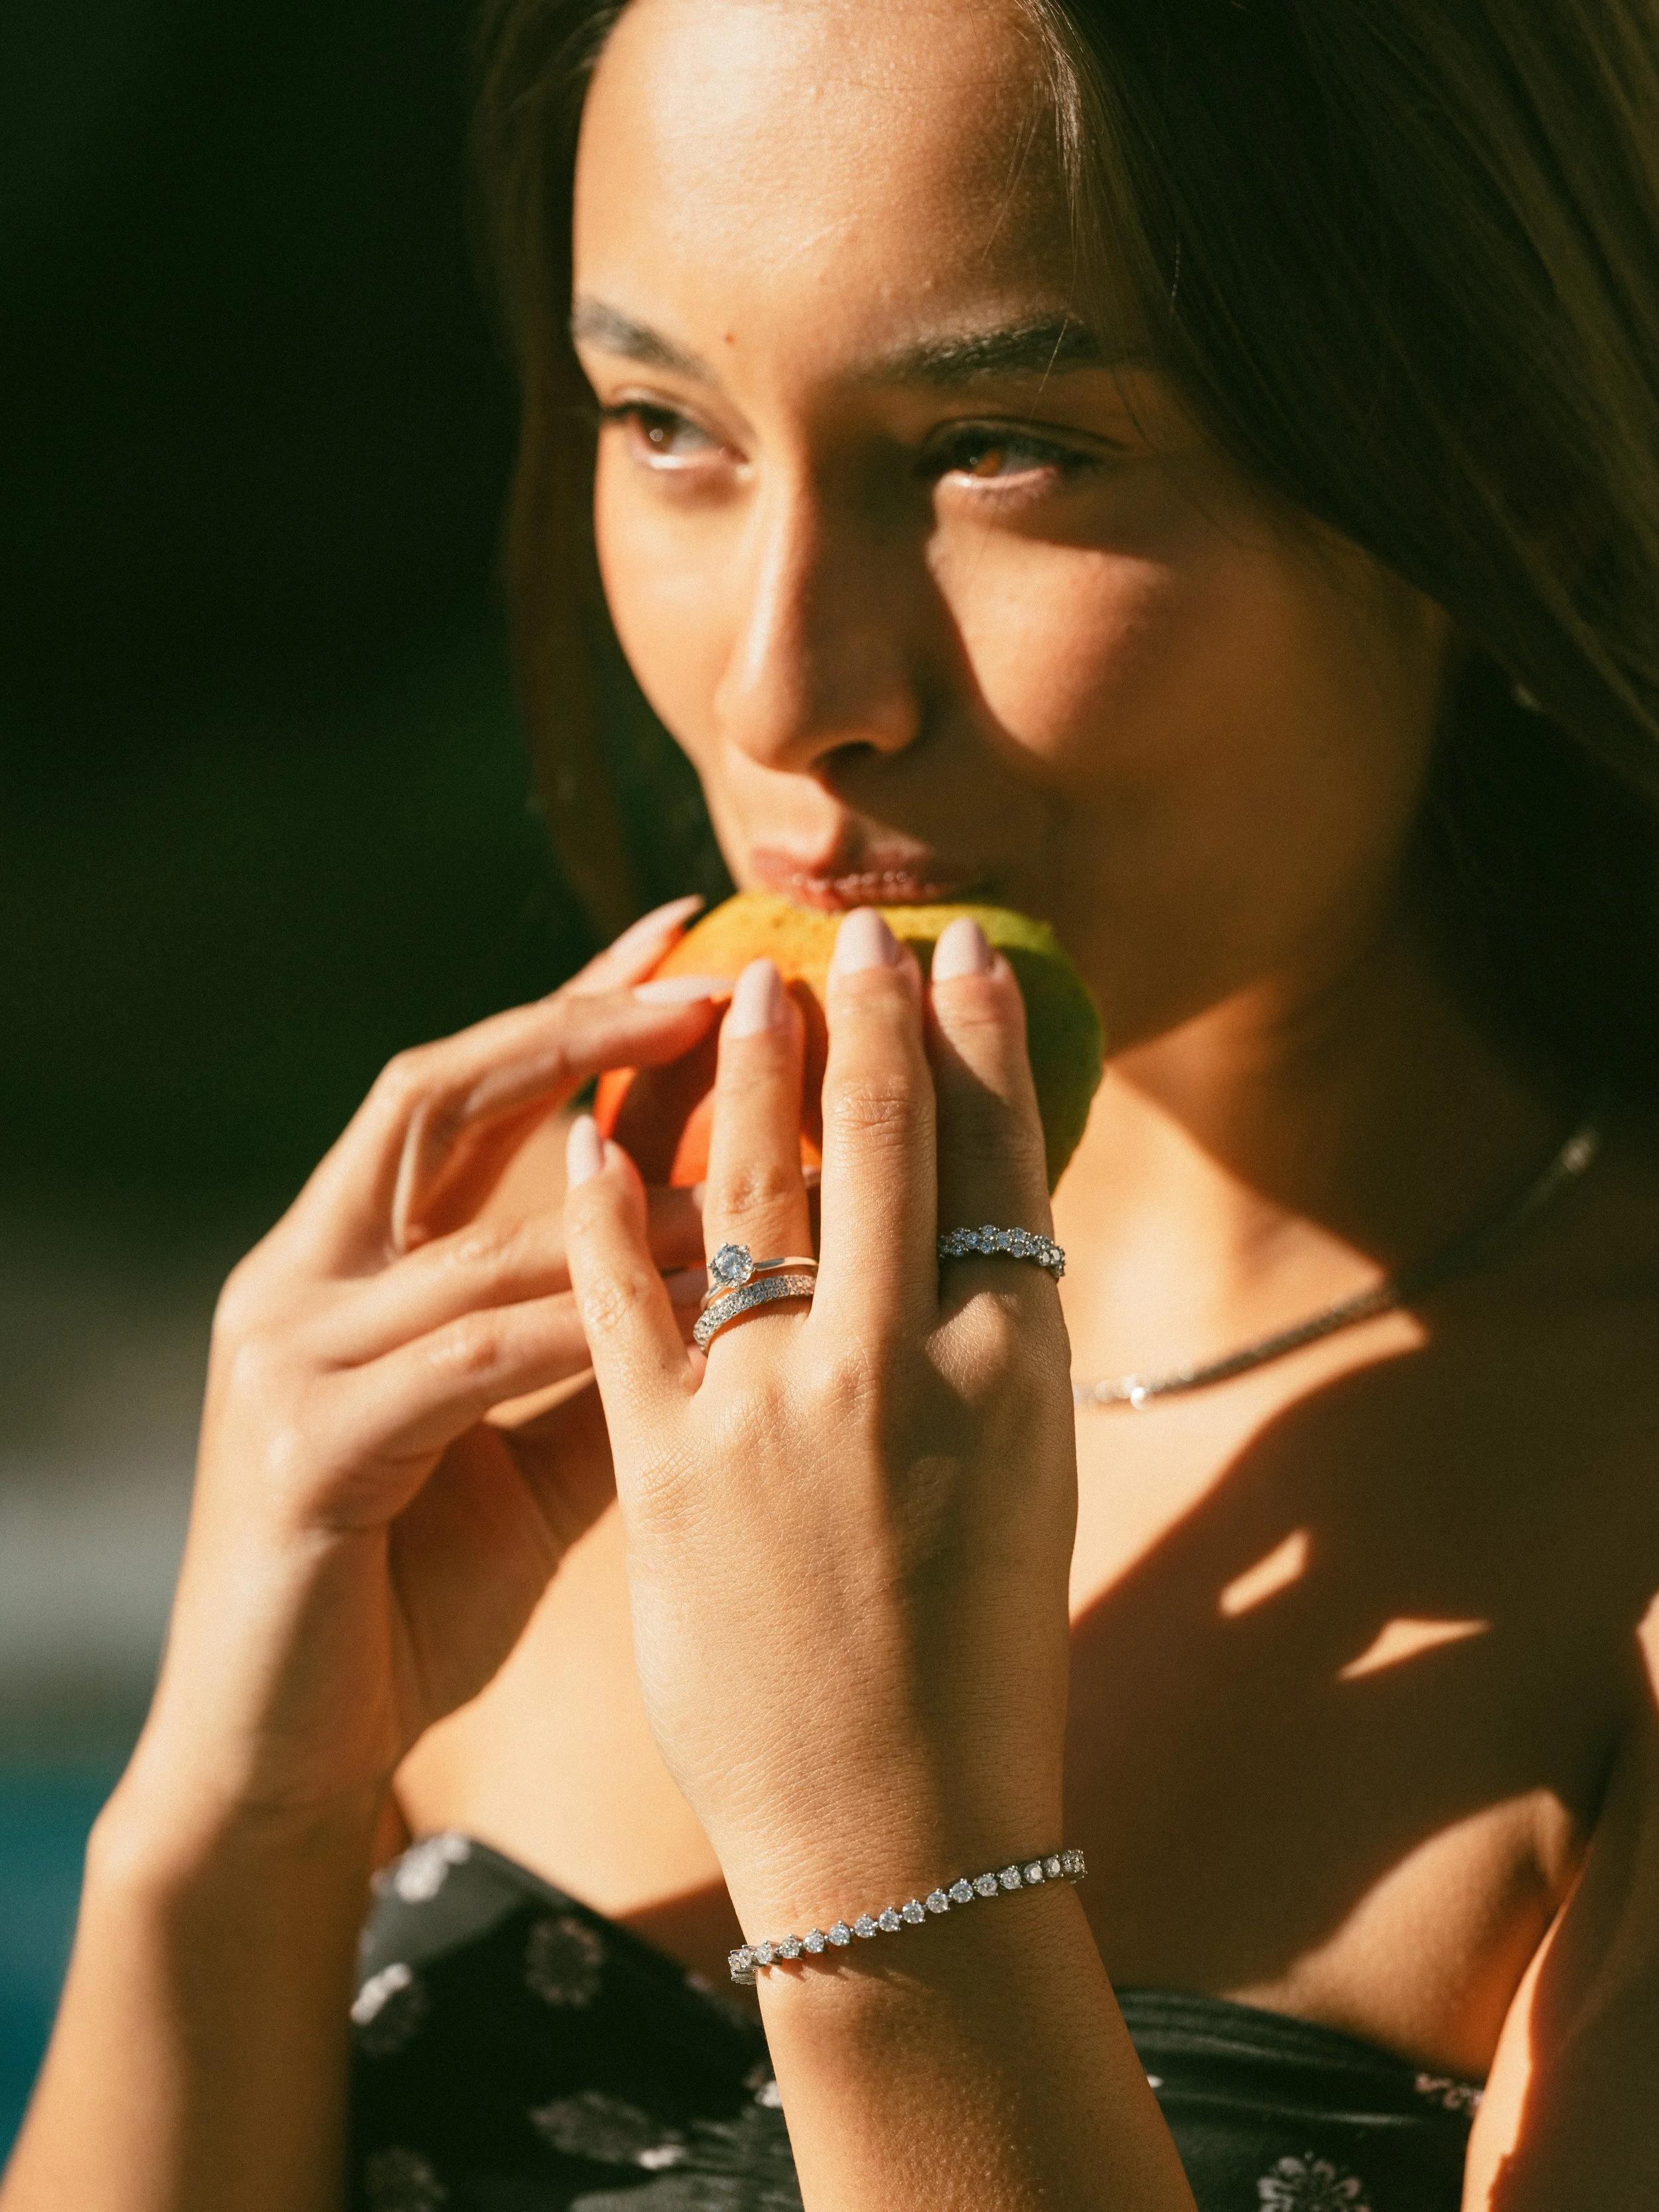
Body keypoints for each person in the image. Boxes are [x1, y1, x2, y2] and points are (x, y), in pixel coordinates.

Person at [6, 0, 1659, 2205]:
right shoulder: (539, 1356)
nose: (786, 685)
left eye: (1001, 445)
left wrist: (900, 1875)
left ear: (1501, 462)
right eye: (663, 422)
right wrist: (231, 1817)